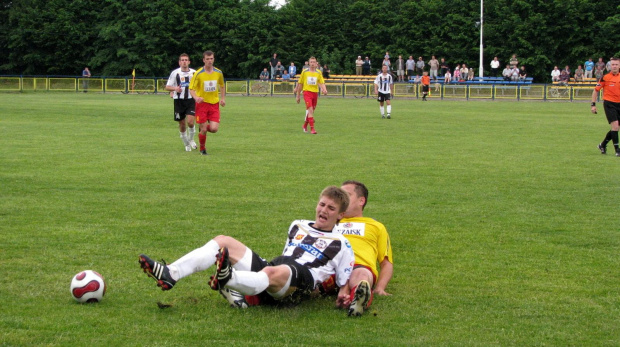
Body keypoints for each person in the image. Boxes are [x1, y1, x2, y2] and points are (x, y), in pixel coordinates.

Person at [138, 186, 355, 310]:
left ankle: (229, 281)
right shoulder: (297, 225)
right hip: (278, 271)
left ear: (341, 215)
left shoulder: (342, 244)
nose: (324, 210)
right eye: (322, 204)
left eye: (331, 208)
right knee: (224, 241)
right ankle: (171, 273)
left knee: (272, 271)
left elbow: (343, 283)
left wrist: (343, 294)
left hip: (302, 281)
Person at [327, 180, 393, 316]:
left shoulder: (376, 226)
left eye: (346, 195)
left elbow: (386, 262)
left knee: (361, 275)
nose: (341, 199)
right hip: (330, 267)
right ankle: (280, 288)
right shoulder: (330, 221)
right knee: (310, 278)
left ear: (361, 201)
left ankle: (357, 299)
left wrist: (380, 288)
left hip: (359, 267)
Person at [188, 50, 225, 156]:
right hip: (202, 104)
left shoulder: (218, 73)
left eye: (211, 58)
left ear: (214, 59)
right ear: (204, 60)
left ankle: (202, 129)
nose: (210, 61)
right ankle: (202, 149)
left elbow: (222, 85)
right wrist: (196, 97)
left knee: (214, 129)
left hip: (214, 104)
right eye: (207, 59)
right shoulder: (198, 74)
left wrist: (222, 98)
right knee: (204, 129)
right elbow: (191, 88)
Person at [165, 53, 197, 152]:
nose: (184, 62)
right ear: (179, 62)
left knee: (191, 122)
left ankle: (191, 139)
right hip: (178, 101)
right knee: (182, 124)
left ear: (189, 62)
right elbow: (167, 87)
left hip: (191, 100)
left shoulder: (194, 73)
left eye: (186, 60)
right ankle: (186, 143)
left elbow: (199, 85)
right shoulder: (175, 73)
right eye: (182, 60)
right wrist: (175, 89)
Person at [592, 57, 620, 157]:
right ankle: (617, 150)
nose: (615, 66)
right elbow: (596, 90)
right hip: (609, 104)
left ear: (619, 66)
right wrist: (593, 105)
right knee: (615, 126)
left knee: (616, 128)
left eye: (616, 64)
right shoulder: (605, 77)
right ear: (609, 66)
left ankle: (602, 145)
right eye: (613, 64)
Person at [295, 56, 327, 134]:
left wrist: (324, 89)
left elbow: (321, 82)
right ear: (309, 63)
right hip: (307, 93)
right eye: (311, 62)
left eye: (314, 62)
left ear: (316, 64)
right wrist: (298, 95)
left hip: (315, 93)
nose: (312, 64)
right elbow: (300, 83)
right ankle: (312, 129)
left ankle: (305, 125)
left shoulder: (318, 72)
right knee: (310, 110)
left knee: (311, 111)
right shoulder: (305, 72)